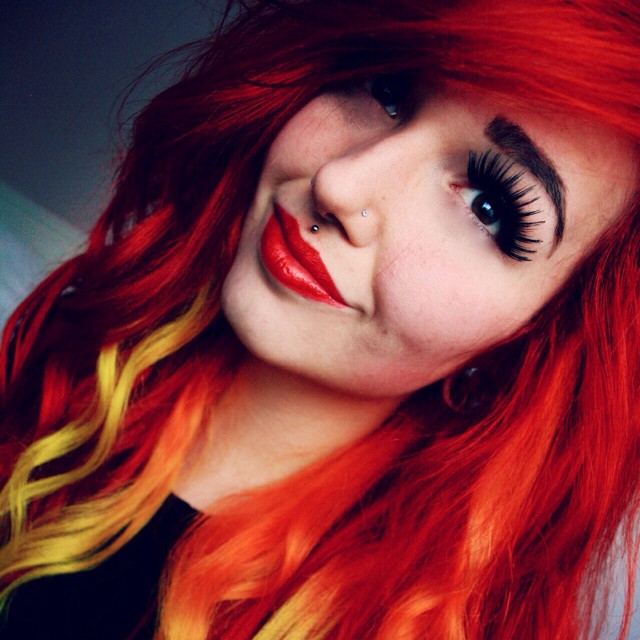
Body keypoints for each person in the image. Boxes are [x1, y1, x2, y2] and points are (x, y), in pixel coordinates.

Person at [1, 0, 639, 638]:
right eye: (386, 87)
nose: (339, 184)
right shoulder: (54, 356)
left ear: (535, 334)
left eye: (488, 205)